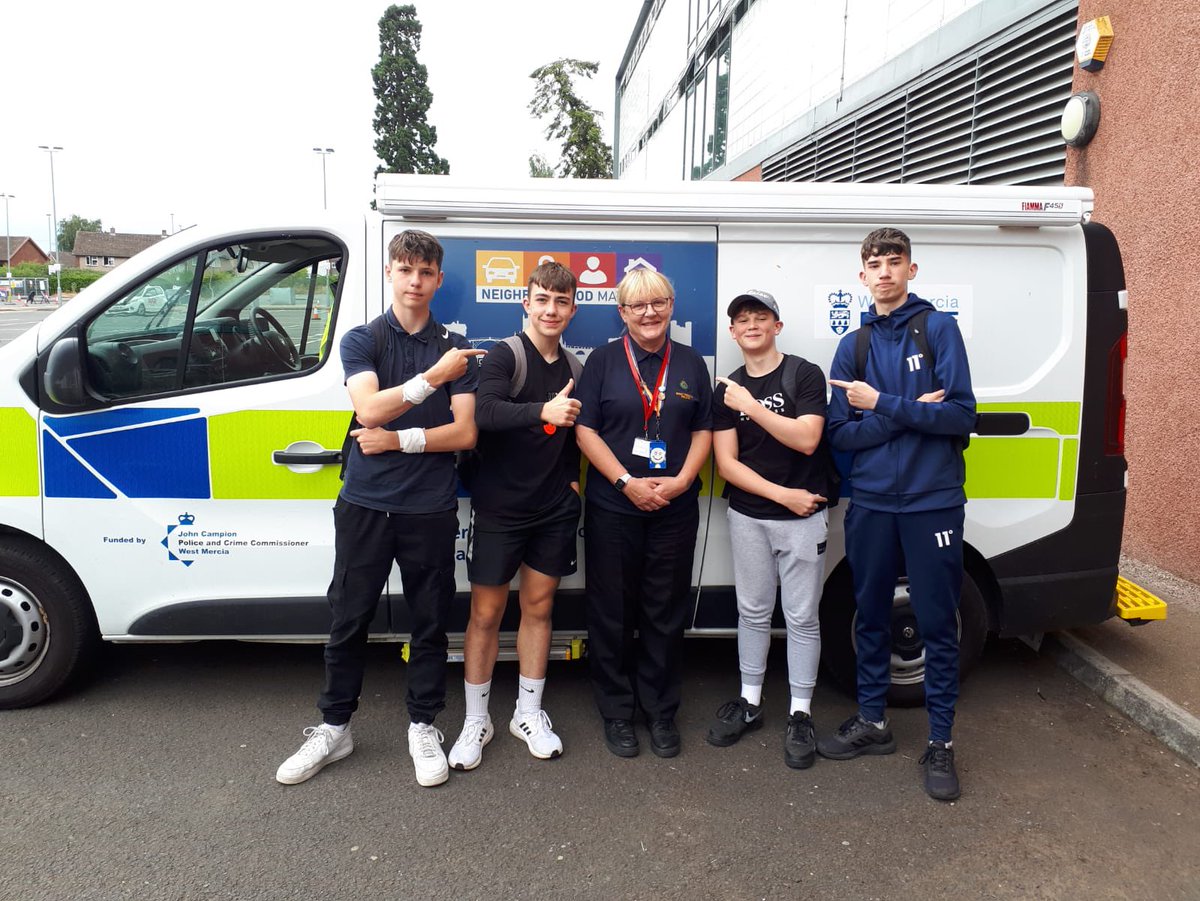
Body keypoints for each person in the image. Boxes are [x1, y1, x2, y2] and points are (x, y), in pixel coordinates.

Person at [276, 229, 484, 788]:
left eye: (425, 272)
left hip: (429, 506)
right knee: (349, 617)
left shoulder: (456, 348)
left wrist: (401, 438)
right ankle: (334, 727)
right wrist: (431, 381)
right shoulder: (361, 339)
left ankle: (423, 724)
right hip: (365, 502)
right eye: (405, 269)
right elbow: (368, 409)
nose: (415, 281)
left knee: (430, 621)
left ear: (439, 280)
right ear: (390, 273)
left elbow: (463, 434)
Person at [819, 227, 976, 801]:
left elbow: (961, 416)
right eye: (874, 263)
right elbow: (841, 436)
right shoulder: (852, 346)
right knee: (869, 617)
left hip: (933, 502)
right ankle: (873, 722)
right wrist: (904, 411)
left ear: (912, 270)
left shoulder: (939, 329)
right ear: (861, 277)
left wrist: (880, 404)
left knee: (937, 623)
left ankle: (940, 743)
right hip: (872, 504)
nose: (884, 271)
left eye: (894, 261)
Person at [448, 262, 583, 770]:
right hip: (501, 508)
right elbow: (483, 415)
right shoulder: (505, 355)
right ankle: (475, 720)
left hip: (553, 509)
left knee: (540, 609)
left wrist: (570, 482)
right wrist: (540, 412)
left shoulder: (574, 366)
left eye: (561, 301)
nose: (551, 309)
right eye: (542, 299)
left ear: (572, 308)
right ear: (525, 303)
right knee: (485, 614)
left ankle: (527, 712)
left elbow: (572, 435)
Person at [574, 267, 713, 759]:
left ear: (671, 305)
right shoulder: (603, 363)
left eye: (658, 302)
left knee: (664, 609)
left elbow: (703, 431)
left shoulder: (693, 363)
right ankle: (617, 712)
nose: (649, 313)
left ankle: (660, 711)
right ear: (622, 313)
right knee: (611, 611)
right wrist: (626, 482)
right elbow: (586, 431)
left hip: (674, 507)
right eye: (638, 306)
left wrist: (679, 481)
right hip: (615, 504)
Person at [707, 289, 832, 770]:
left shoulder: (803, 373)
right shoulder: (727, 389)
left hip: (802, 522)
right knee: (753, 611)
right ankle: (751, 700)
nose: (751, 324)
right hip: (752, 515)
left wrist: (753, 407)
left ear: (777, 326)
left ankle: (800, 713)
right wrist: (782, 496)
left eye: (761, 316)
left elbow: (807, 439)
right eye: (742, 319)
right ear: (733, 332)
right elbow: (727, 463)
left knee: (802, 617)